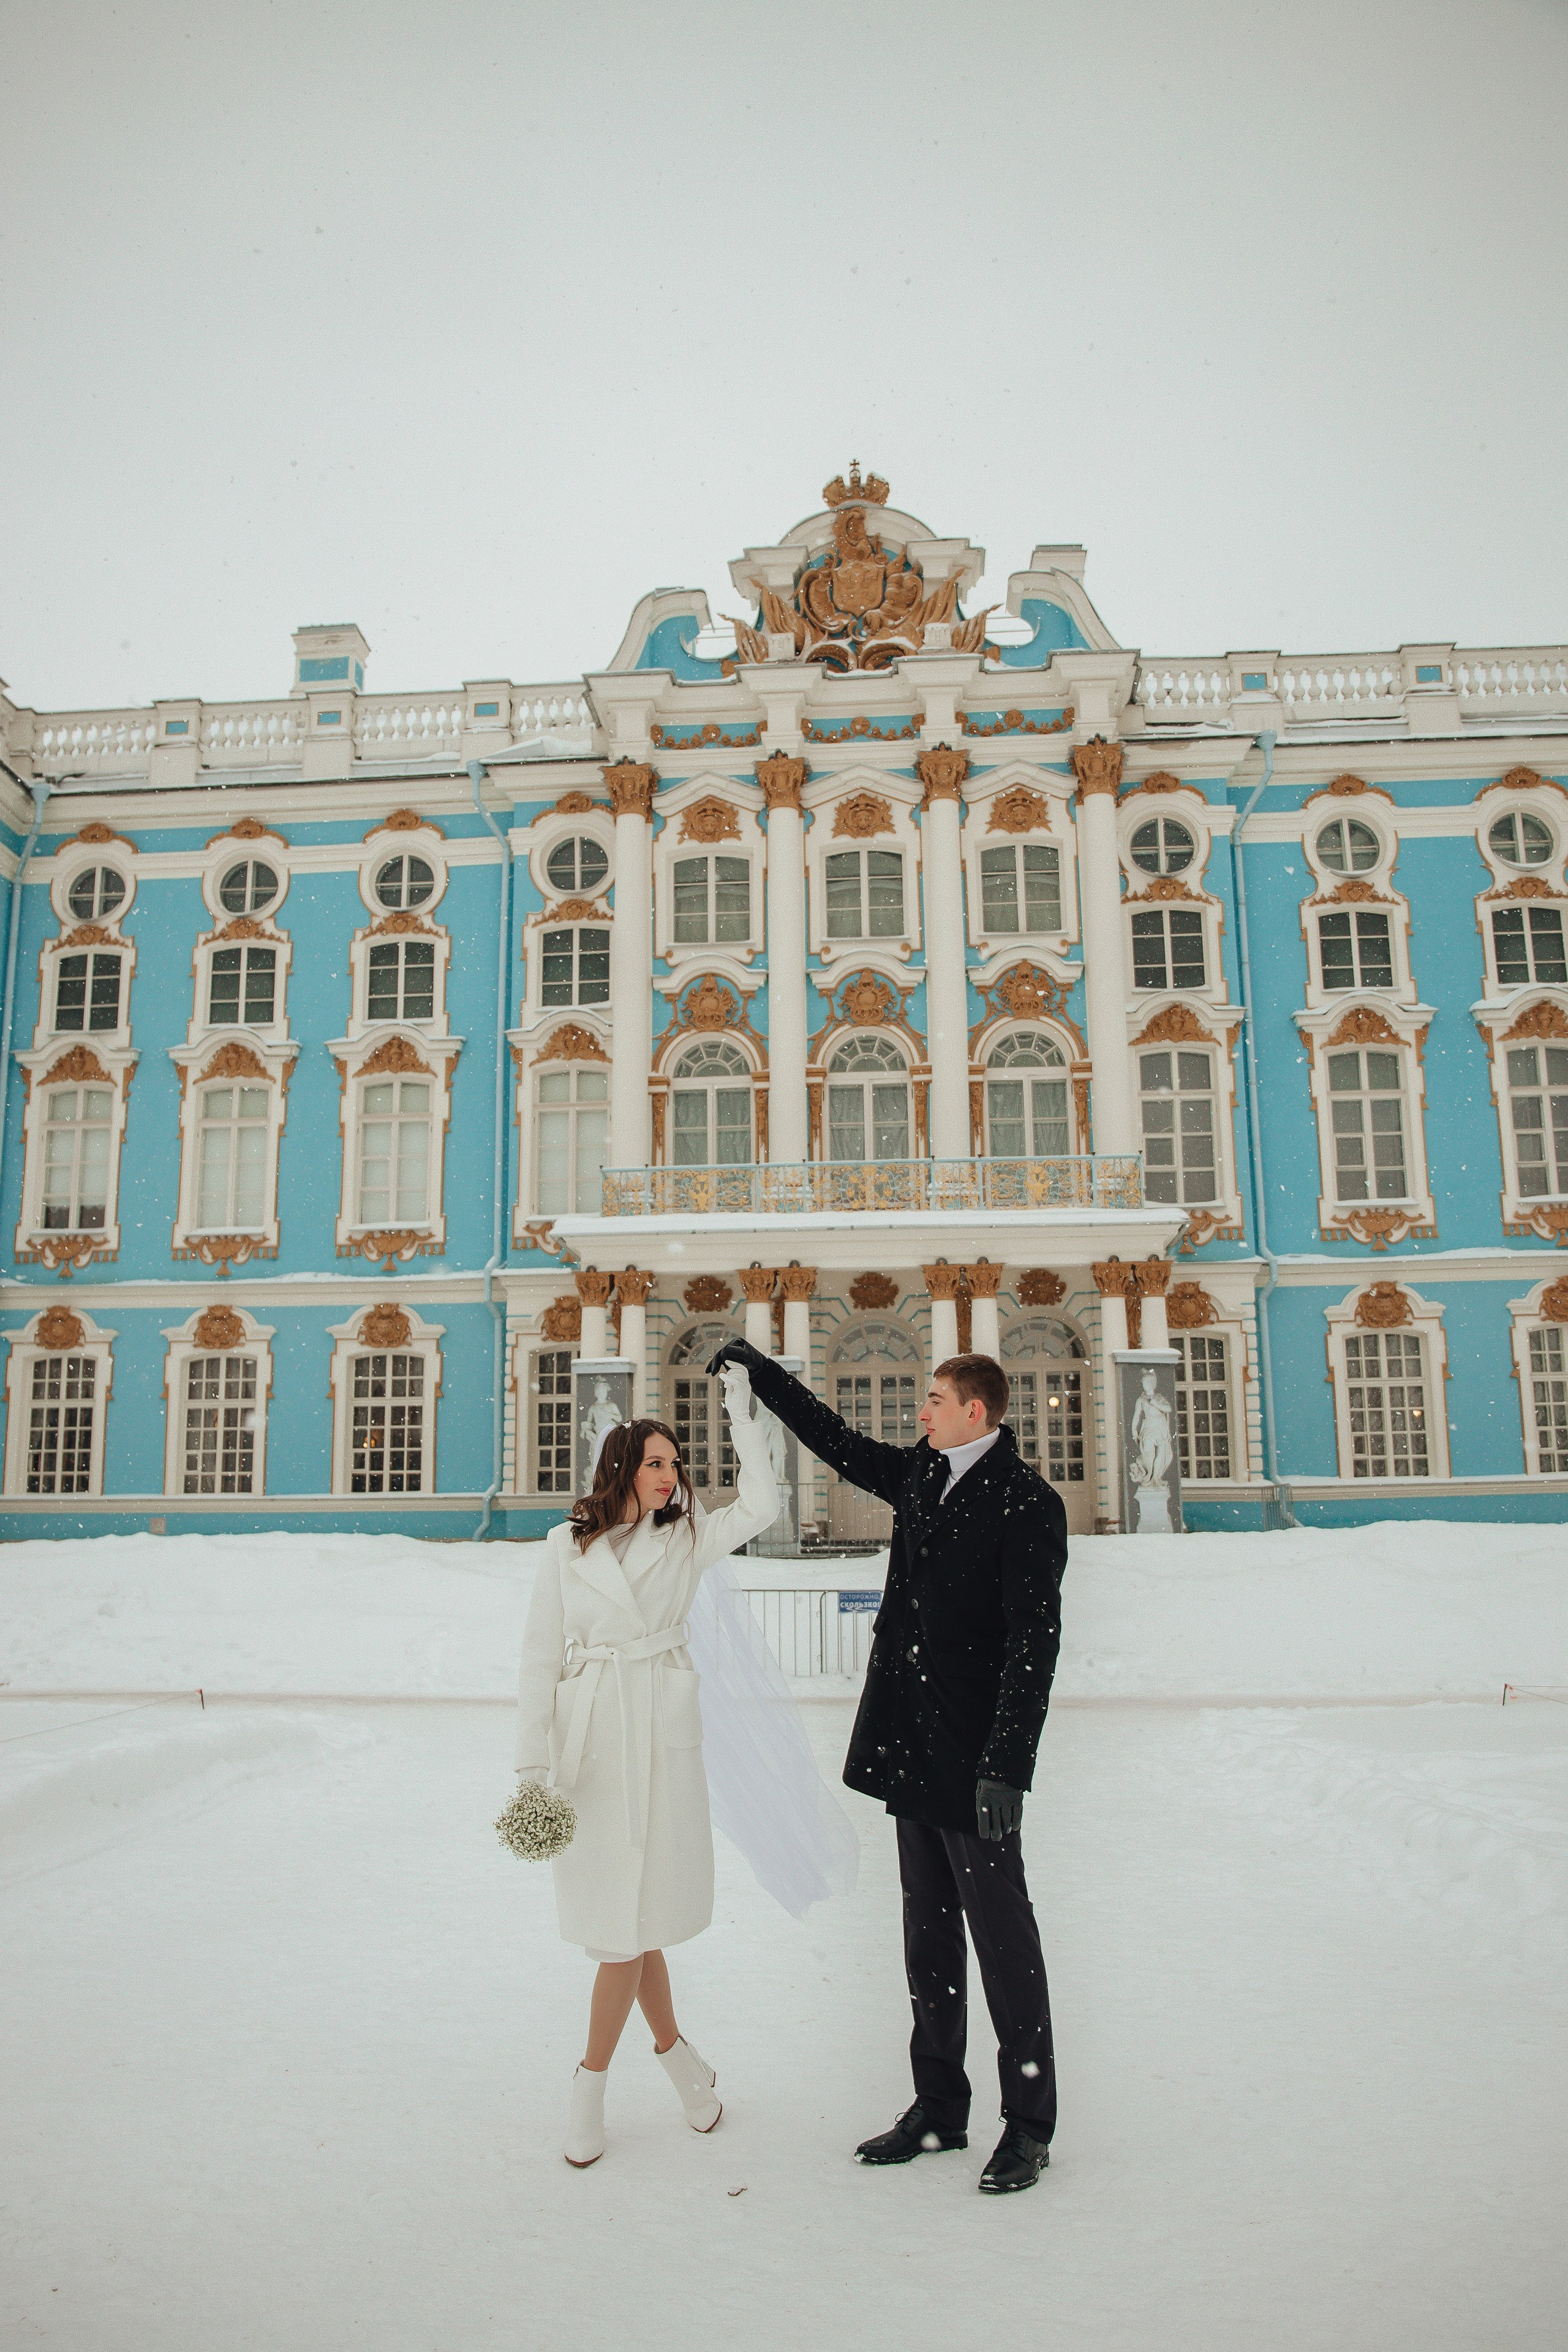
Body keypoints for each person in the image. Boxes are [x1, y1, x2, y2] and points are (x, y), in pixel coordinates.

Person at [707, 1338, 1066, 2196]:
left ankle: (1029, 2124)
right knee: (928, 1939)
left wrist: (1007, 1766)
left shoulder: (1026, 1502)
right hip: (915, 1748)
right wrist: (767, 1377)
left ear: (975, 1410)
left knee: (1005, 1944)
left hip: (977, 1760)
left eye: (936, 1399)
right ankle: (939, 2104)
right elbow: (837, 1441)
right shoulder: (920, 1475)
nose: (923, 1411)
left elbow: (1032, 1644)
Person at [514, 1364, 777, 2168]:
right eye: (658, 1463)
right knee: (621, 1927)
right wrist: (533, 1771)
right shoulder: (566, 1546)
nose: (672, 1477)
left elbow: (764, 1506)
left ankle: (590, 2084)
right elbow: (536, 1660)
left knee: (634, 1923)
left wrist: (742, 1413)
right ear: (624, 1466)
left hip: (658, 1735)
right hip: (589, 1744)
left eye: (677, 1464)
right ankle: (684, 2074)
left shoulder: (687, 1538)